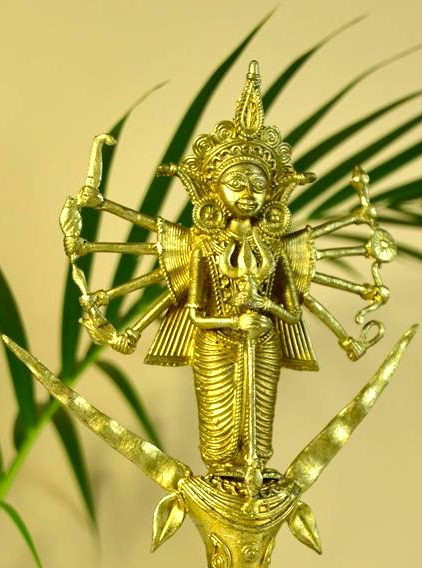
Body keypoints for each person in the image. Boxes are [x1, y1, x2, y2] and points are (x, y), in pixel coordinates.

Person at [61, 61, 395, 493]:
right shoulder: (204, 245)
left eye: (257, 184)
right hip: (215, 341)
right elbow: (195, 315)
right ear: (214, 190)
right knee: (220, 438)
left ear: (272, 193)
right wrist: (233, 321)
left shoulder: (276, 247)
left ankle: (254, 477)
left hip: (264, 340)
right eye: (237, 182)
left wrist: (264, 310)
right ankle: (223, 478)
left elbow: (292, 313)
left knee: (258, 430)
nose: (248, 193)